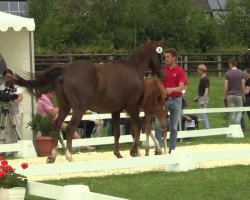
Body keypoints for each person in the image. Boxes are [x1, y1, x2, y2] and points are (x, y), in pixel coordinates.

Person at [155, 48, 186, 154]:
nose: (166, 59)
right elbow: (157, 83)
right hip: (164, 101)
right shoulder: (162, 70)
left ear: (174, 58)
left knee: (174, 127)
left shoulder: (180, 71)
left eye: (168, 57)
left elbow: (182, 87)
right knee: (158, 125)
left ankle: (172, 149)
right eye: (165, 57)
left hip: (177, 100)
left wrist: (172, 89)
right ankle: (158, 148)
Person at [0, 69, 23, 144]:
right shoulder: (1, 87)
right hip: (5, 110)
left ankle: (18, 148)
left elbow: (20, 97)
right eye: (6, 77)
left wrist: (14, 101)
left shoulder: (16, 87)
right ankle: (7, 150)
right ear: (3, 77)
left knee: (17, 129)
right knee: (6, 130)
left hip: (15, 111)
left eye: (9, 77)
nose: (8, 78)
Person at [224, 58, 245, 124]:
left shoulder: (227, 73)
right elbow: (243, 85)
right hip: (239, 95)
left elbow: (225, 86)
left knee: (232, 112)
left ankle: (233, 125)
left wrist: (225, 96)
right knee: (239, 111)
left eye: (229, 64)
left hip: (230, 95)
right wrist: (243, 96)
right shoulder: (241, 73)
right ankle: (237, 123)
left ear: (231, 64)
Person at [193, 64, 210, 129]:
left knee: (203, 113)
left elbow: (206, 90)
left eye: (198, 69)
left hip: (203, 98)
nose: (197, 70)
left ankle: (207, 128)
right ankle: (205, 127)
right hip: (201, 97)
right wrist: (197, 97)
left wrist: (203, 100)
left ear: (201, 70)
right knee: (202, 113)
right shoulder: (202, 78)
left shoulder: (205, 79)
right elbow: (201, 90)